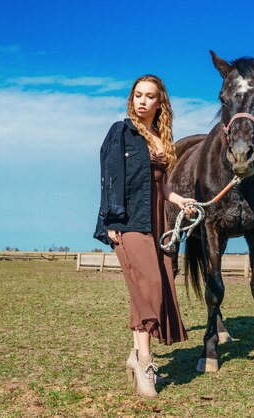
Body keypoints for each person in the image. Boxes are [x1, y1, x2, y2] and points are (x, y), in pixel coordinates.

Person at [94, 74, 193, 399]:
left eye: (149, 96)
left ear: (159, 102)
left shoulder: (160, 137)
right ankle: (145, 362)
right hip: (127, 221)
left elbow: (160, 184)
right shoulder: (122, 131)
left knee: (155, 287)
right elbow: (110, 175)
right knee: (148, 285)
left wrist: (179, 200)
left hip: (156, 222)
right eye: (138, 94)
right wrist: (111, 218)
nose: (142, 101)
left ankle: (139, 358)